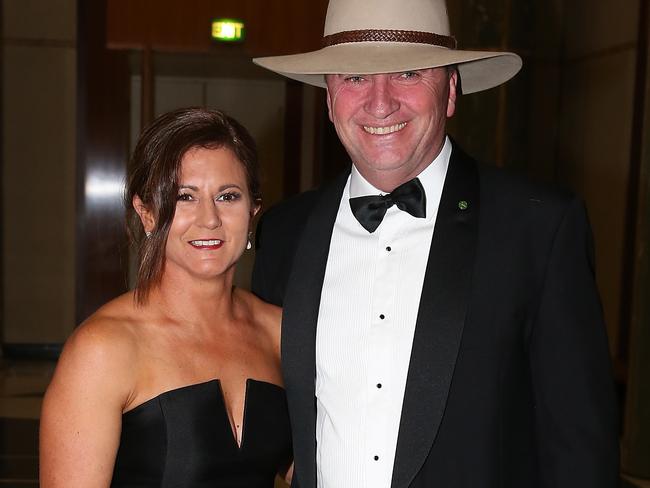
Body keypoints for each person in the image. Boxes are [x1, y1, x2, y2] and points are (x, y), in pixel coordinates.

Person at [250, 0, 619, 487]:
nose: (380, 103)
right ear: (329, 98)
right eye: (354, 78)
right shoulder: (283, 234)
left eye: (406, 73)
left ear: (449, 90)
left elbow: (580, 451)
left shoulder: (539, 229)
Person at [40, 108, 292, 487]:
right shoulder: (104, 348)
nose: (209, 219)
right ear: (147, 214)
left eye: (227, 196)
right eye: (184, 197)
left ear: (253, 210)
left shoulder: (280, 331)